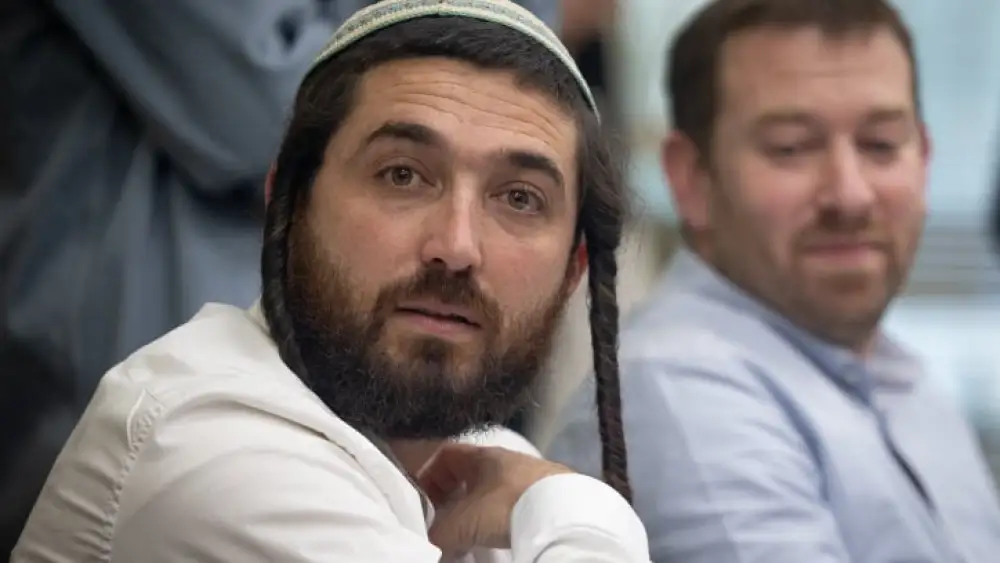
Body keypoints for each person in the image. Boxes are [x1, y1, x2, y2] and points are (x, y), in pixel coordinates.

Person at [11, 1, 648, 561]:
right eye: (402, 175)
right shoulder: (213, 447)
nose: (456, 247)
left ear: (573, 271)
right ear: (287, 204)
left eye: (519, 197)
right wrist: (576, 504)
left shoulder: (482, 464)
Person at [545, 0, 1000, 562]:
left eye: (881, 144)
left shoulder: (898, 373)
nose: (850, 194)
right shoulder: (677, 390)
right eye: (791, 147)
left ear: (925, 160)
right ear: (691, 178)